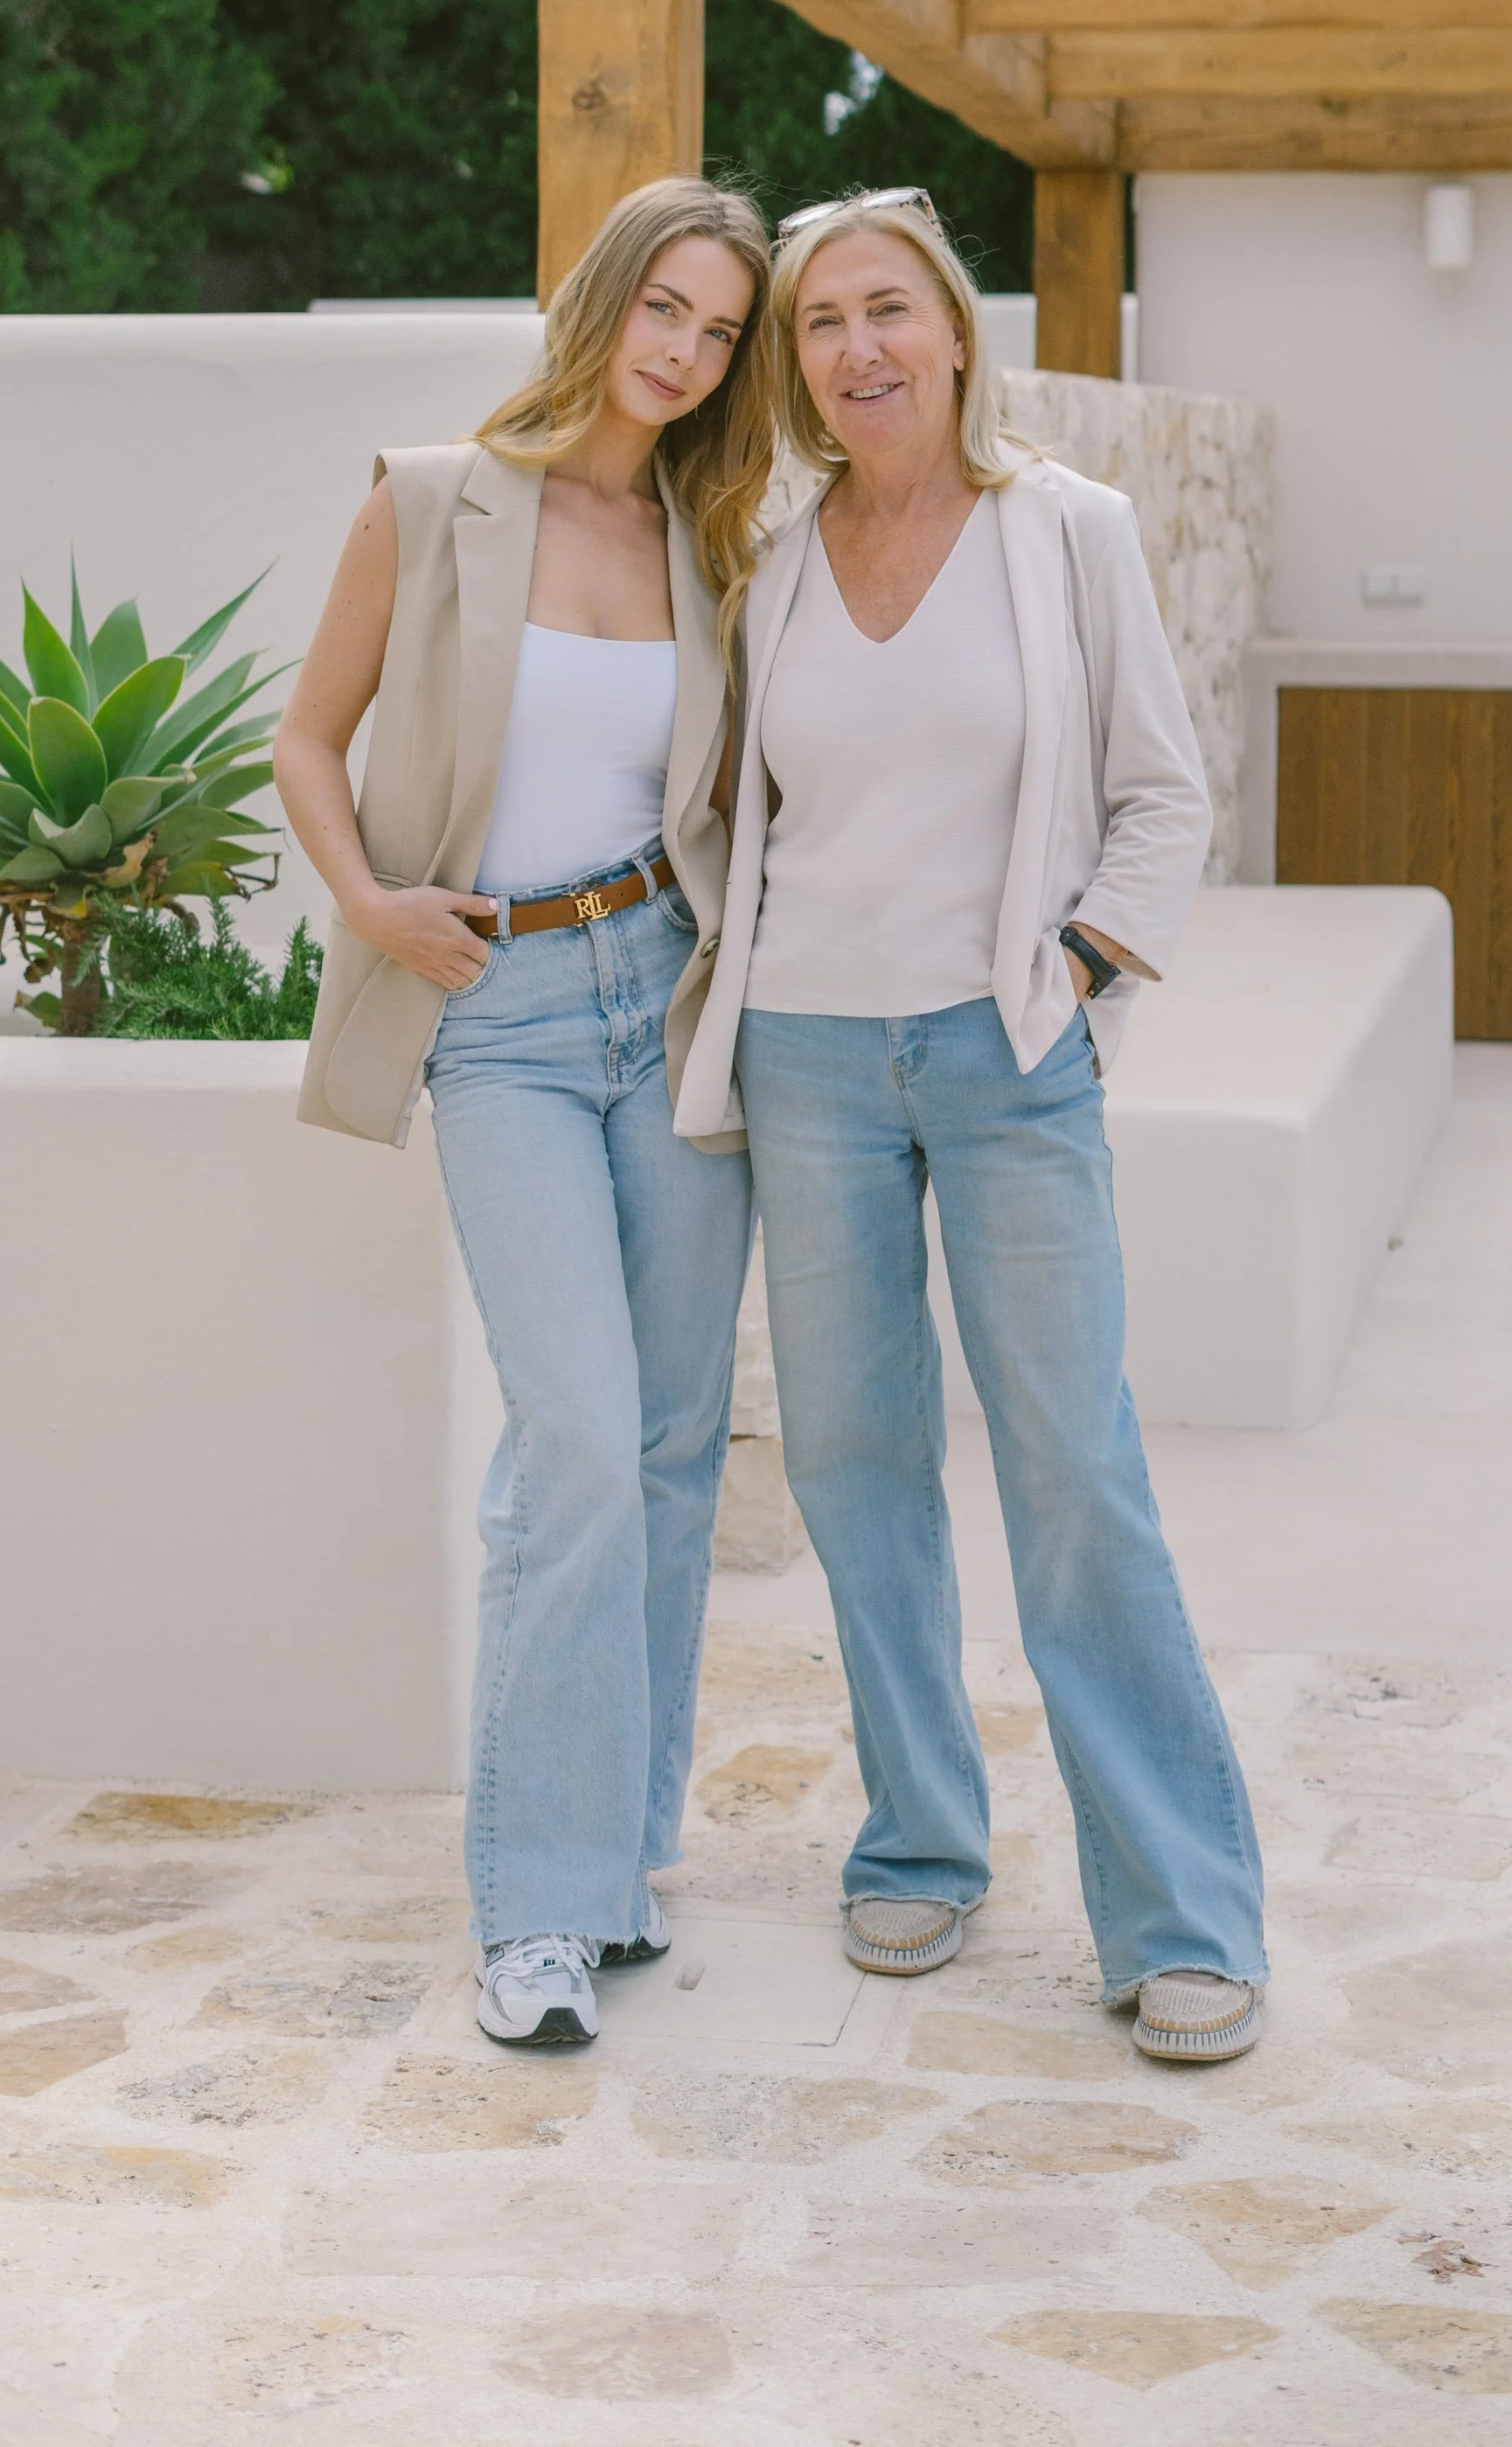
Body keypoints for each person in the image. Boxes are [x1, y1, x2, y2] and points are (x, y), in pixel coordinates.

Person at [673, 186, 1267, 2065]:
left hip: (1008, 1057)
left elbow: (1159, 795)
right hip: (807, 1057)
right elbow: (737, 811)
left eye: (885, 310)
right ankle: (920, 1839)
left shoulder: (1062, 529)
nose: (856, 348)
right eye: (819, 323)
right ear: (795, 366)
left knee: (1072, 1468)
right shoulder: (769, 564)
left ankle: (1180, 1911)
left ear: (949, 331)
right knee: (854, 1465)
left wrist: (1073, 972)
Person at [275, 178, 773, 2050]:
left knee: (668, 1443)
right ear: (603, 298)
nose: (686, 351)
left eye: (720, 330)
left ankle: (618, 1852)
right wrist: (373, 903)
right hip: (497, 1008)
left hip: (667, 988)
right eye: (666, 306)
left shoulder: (710, 536)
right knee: (571, 1437)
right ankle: (538, 1911)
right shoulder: (429, 500)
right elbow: (305, 737)